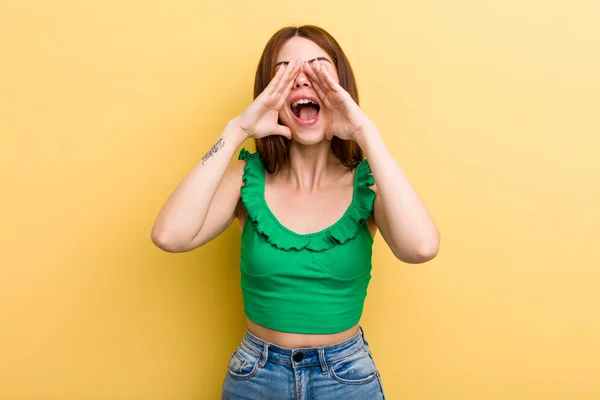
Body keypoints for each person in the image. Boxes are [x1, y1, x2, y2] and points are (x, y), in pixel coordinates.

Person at [151, 25, 440, 400]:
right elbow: (169, 236)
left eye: (318, 69)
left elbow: (420, 247)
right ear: (270, 94)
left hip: (346, 378)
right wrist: (237, 129)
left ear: (342, 89)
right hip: (255, 376)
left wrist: (364, 131)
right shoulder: (246, 180)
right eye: (285, 71)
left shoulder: (368, 184)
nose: (303, 80)